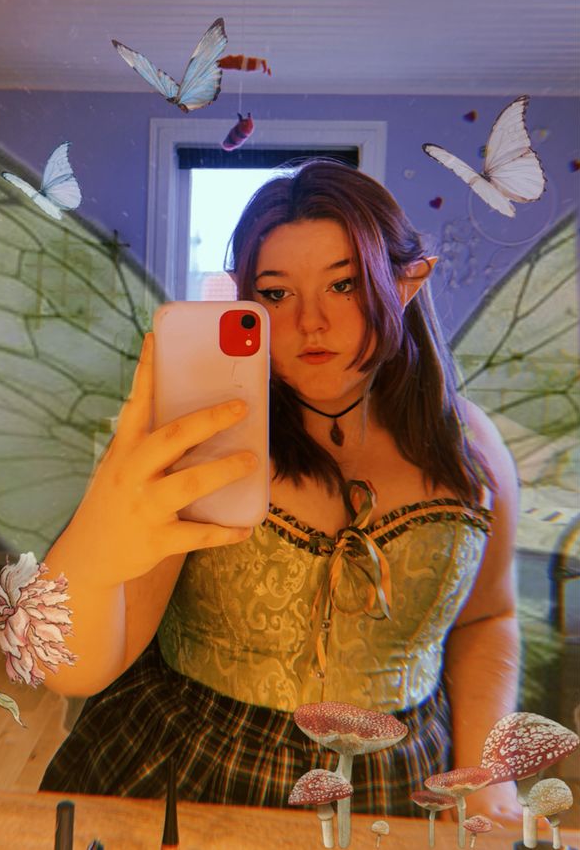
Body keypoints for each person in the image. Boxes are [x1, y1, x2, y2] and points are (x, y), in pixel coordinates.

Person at [39, 160, 521, 821]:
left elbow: (488, 619)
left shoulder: (474, 452)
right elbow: (81, 667)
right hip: (188, 765)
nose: (311, 323)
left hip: (402, 789)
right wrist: (89, 550)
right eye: (275, 292)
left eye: (344, 284)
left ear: (408, 282)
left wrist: (489, 779)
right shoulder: (204, 435)